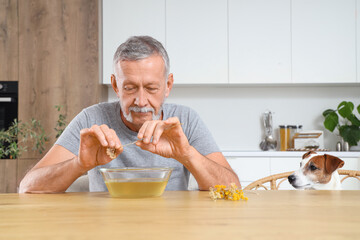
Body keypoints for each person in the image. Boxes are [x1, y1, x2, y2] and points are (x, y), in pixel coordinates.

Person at [19, 36, 240, 193]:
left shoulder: (186, 120)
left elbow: (233, 188)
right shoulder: (91, 120)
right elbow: (28, 187)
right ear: (115, 85)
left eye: (152, 88)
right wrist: (79, 164)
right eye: (130, 88)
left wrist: (186, 154)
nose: (141, 101)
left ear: (168, 85)